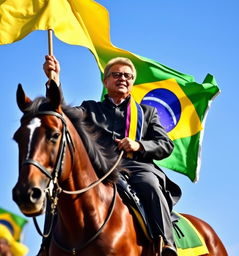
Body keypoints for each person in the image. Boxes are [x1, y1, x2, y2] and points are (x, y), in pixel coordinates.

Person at [43, 55, 182, 256]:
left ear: (133, 82)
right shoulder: (90, 109)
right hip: (99, 170)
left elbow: (165, 145)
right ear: (105, 81)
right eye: (116, 74)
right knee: (57, 190)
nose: (122, 79)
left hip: (137, 168)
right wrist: (53, 80)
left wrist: (139, 145)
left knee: (150, 184)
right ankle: (45, 247)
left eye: (127, 76)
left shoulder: (147, 113)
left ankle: (167, 245)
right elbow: (61, 115)